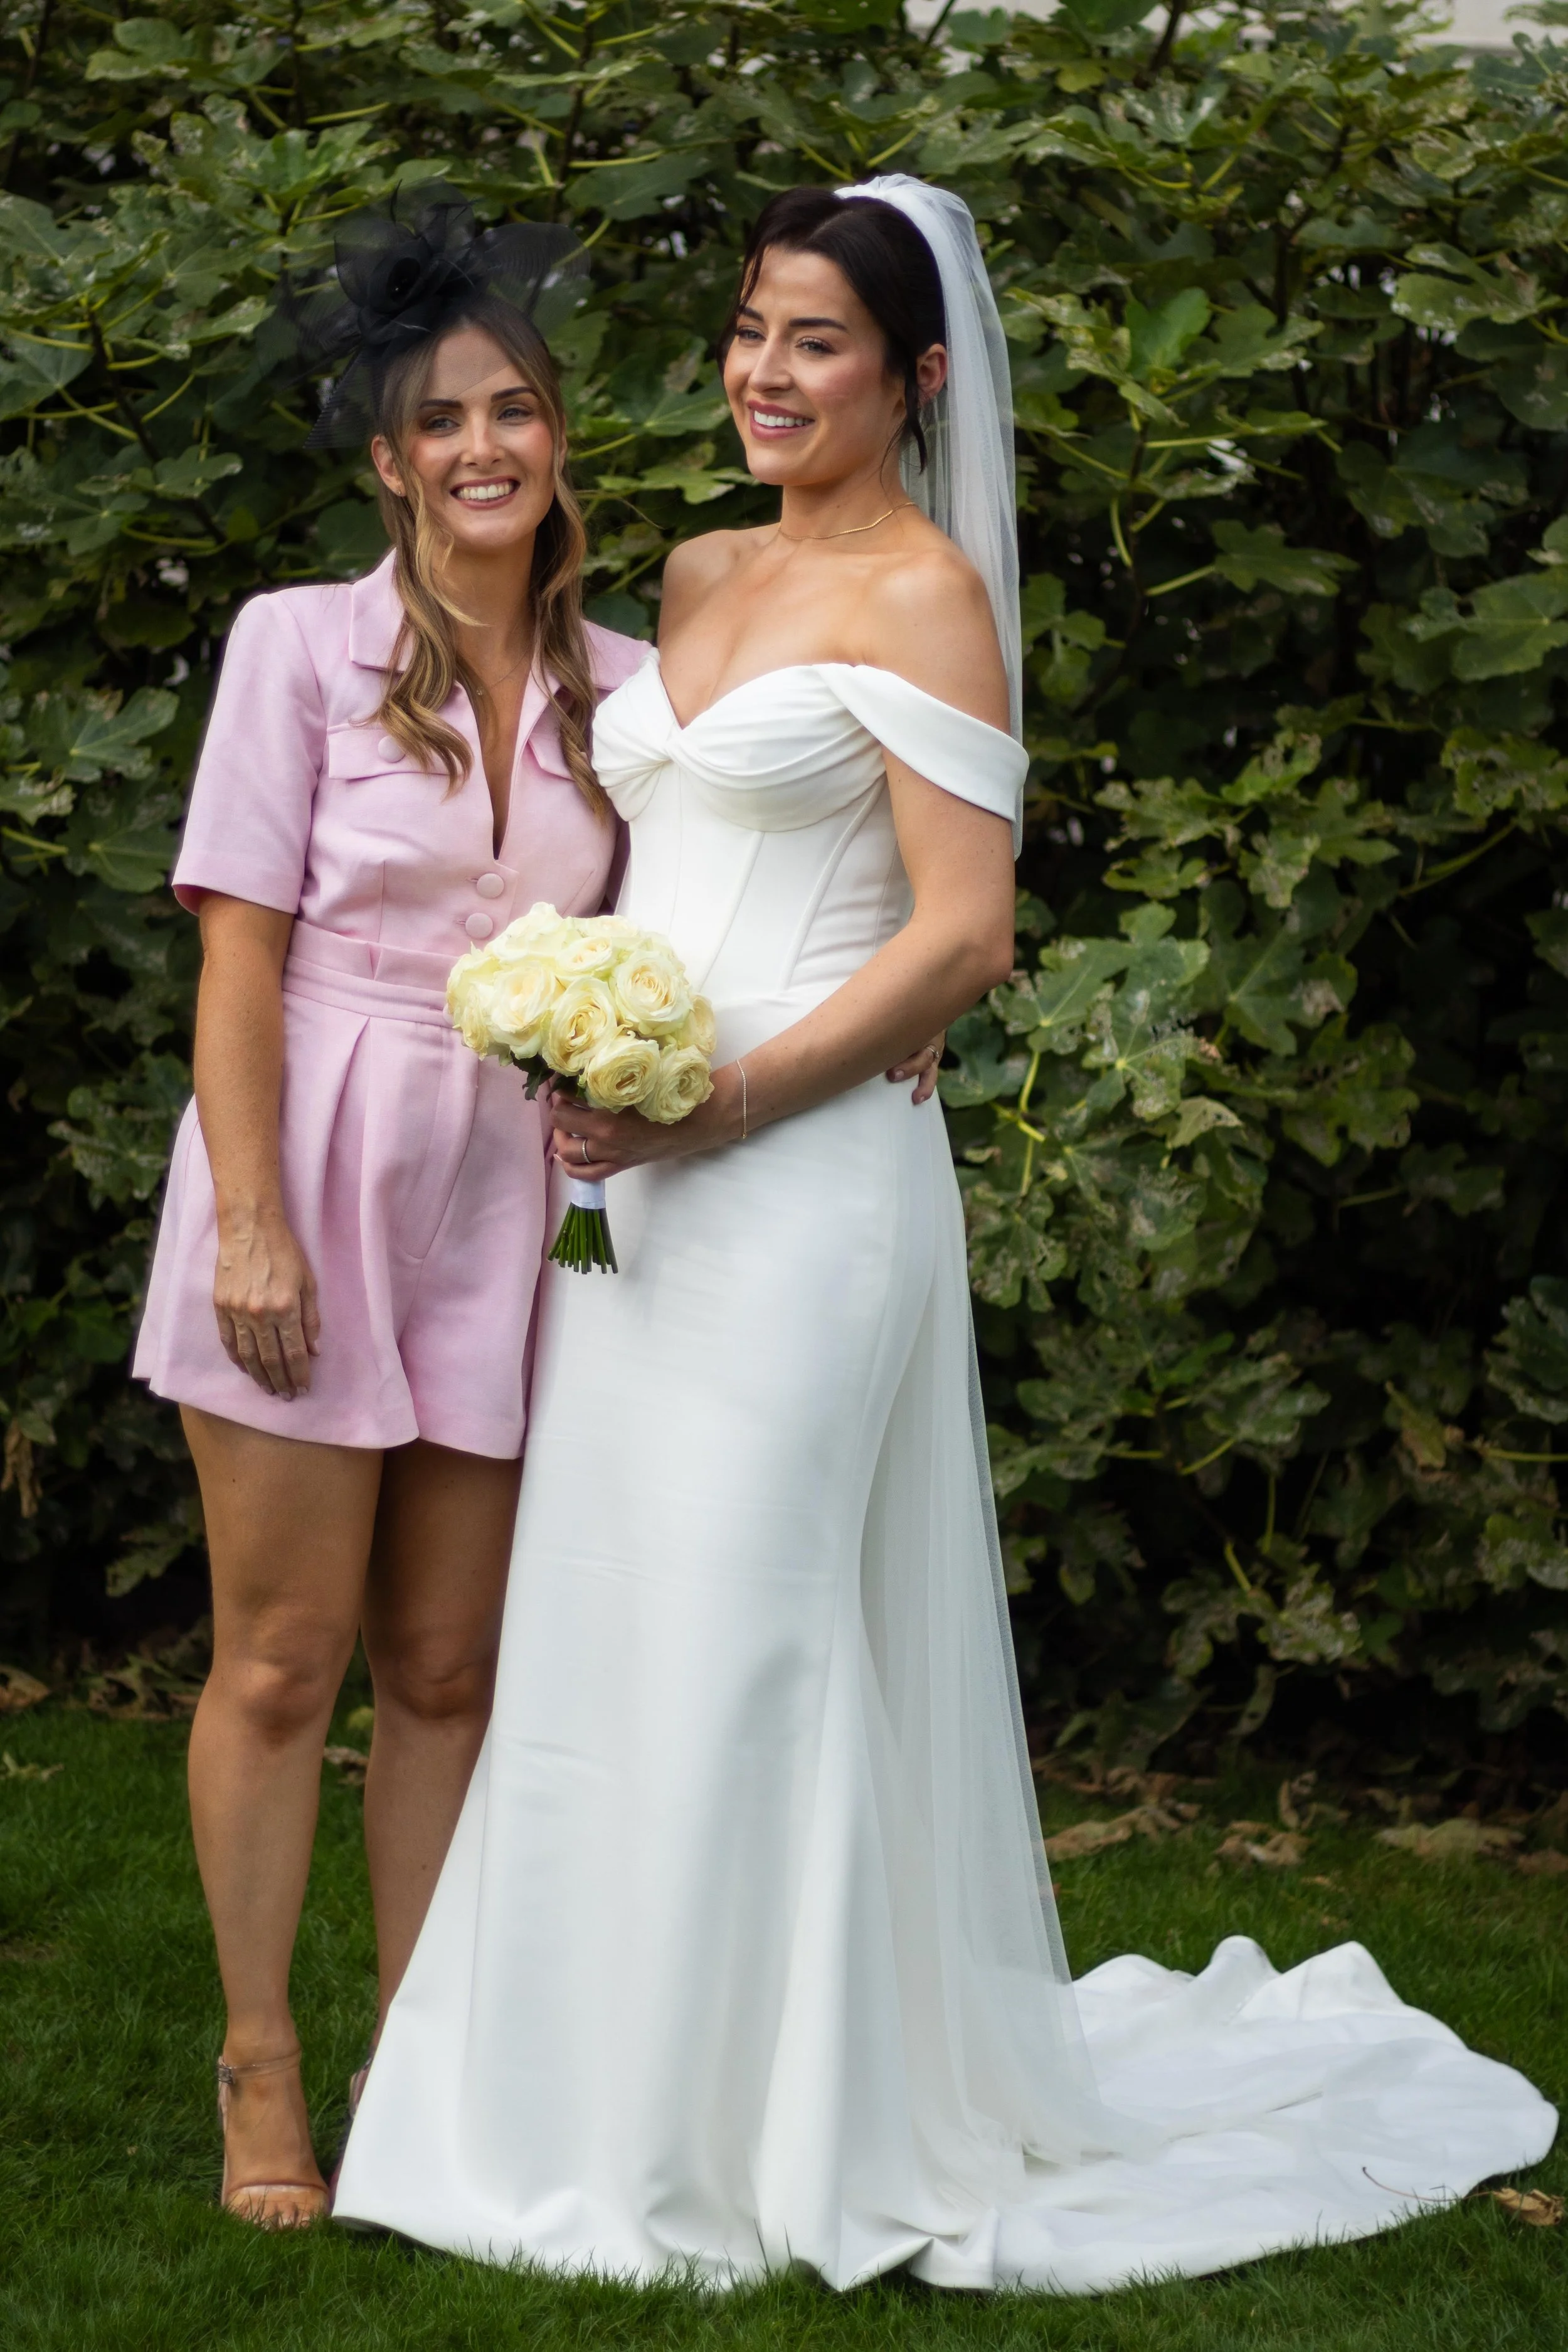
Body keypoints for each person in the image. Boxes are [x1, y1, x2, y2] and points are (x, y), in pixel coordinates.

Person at [332, 180, 1554, 2289]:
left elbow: (964, 933)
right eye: (748, 328)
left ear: (911, 379)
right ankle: (581, 2102)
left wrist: (724, 1094)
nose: (763, 372)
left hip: (797, 1179)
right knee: (615, 1625)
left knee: (755, 1629)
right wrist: (575, 1020)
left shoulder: (926, 599)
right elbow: (650, 842)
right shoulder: (694, 570)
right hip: (627, 1185)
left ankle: (777, 2139)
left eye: (813, 340)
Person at [131, 189, 652, 2228]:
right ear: (387, 459)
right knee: (282, 1657)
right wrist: (251, 1219)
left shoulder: (626, 683)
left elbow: (731, 907)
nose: (481, 447)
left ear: (556, 438)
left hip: (507, 1199)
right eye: (441, 419)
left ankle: (415, 2069)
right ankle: (260, 2061)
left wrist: (903, 1021)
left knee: (445, 1665)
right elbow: (238, 950)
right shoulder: (297, 645)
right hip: (315, 1155)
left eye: (512, 410)